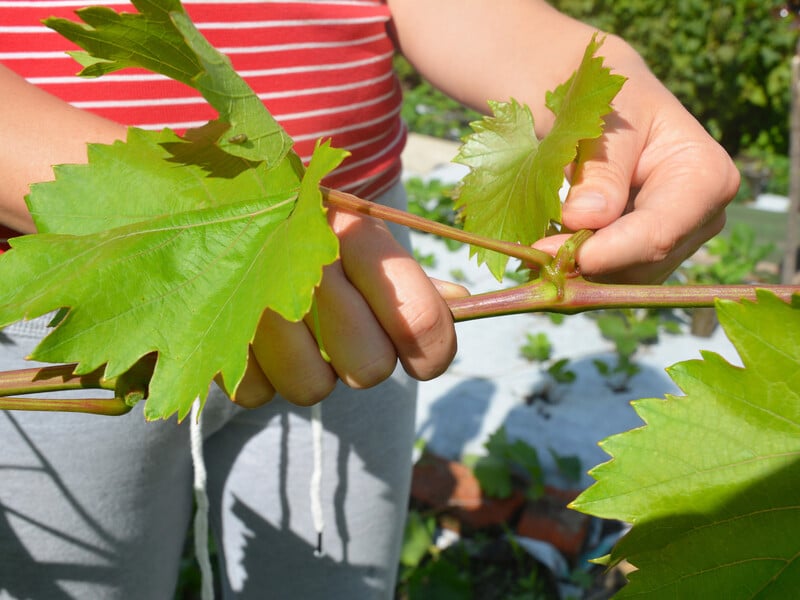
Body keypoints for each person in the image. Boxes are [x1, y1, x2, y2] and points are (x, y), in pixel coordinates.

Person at [0, 0, 738, 598]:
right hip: (80, 281)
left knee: (334, 578)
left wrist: (599, 85)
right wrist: (206, 238)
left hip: (364, 266)